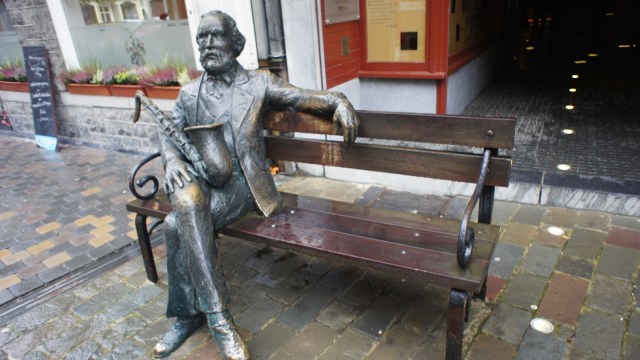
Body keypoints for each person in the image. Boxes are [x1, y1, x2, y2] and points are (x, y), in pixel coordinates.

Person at [153, 10, 359, 360]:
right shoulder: (189, 94)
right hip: (205, 182)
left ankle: (201, 319)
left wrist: (338, 100)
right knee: (177, 220)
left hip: (245, 186)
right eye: (201, 38)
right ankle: (207, 319)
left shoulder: (259, 82)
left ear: (236, 43)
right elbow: (168, 133)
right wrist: (172, 160)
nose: (207, 44)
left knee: (182, 214)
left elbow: (300, 97)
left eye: (215, 36)